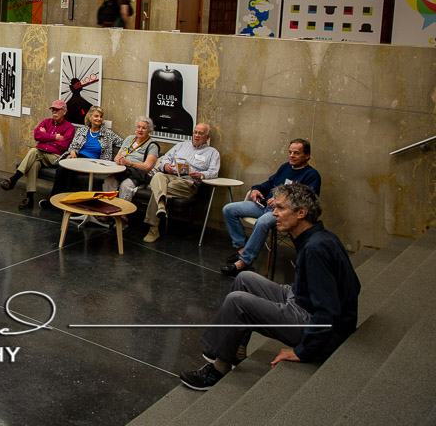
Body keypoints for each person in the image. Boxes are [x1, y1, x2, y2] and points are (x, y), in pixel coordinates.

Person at [179, 183, 360, 390]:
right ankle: (235, 349)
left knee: (238, 302)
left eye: (280, 208)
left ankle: (218, 367)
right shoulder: (322, 236)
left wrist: (303, 351)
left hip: (320, 327)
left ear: (301, 213)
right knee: (245, 278)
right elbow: (355, 285)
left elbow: (328, 311)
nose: (274, 213)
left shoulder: (315, 249)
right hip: (302, 300)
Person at [222, 139, 321, 276]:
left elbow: (307, 202)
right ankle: (242, 249)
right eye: (290, 152)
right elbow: (269, 183)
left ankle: (244, 261)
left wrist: (281, 202)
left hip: (283, 212)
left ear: (307, 155)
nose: (291, 156)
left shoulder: (312, 175)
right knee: (229, 209)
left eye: (296, 153)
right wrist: (255, 189)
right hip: (264, 206)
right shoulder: (285, 167)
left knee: (262, 222)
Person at [141, 123, 220, 242]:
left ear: (207, 137)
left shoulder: (212, 153)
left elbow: (214, 172)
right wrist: (166, 165)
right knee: (158, 176)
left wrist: (201, 175)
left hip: (188, 183)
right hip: (171, 176)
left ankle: (153, 229)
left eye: (200, 133)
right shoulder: (181, 145)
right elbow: (166, 159)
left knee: (159, 188)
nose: (196, 135)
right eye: (195, 132)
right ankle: (161, 205)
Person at [0, 99, 75, 210]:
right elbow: (36, 135)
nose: (54, 112)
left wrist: (45, 137)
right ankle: (29, 198)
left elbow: (63, 145)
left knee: (34, 151)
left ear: (64, 111)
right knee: (34, 163)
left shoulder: (69, 127)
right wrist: (55, 137)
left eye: (57, 110)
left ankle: (14, 179)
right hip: (40, 154)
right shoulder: (46, 122)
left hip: (55, 157)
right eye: (53, 109)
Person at [45, 106, 123, 202]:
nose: (99, 119)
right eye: (96, 116)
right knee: (62, 169)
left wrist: (121, 153)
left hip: (92, 162)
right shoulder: (82, 130)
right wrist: (72, 153)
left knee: (66, 171)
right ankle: (58, 199)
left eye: (100, 116)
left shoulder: (108, 133)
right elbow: (73, 146)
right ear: (90, 117)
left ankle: (58, 199)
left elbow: (124, 144)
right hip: (76, 156)